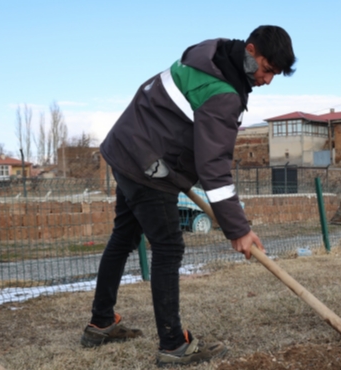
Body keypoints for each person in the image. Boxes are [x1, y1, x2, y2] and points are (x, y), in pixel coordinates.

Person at [80, 25, 296, 367]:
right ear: (251, 51)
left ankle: (101, 323)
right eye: (268, 70)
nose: (268, 80)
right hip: (150, 166)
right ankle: (172, 345)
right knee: (168, 247)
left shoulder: (211, 53)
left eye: (275, 75)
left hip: (127, 147)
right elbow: (214, 166)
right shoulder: (224, 92)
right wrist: (238, 229)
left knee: (123, 236)